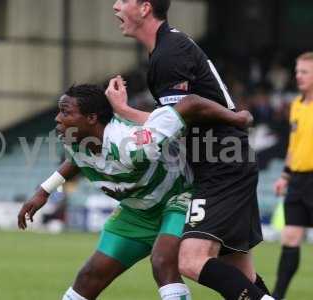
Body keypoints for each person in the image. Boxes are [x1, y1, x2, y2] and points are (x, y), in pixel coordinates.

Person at [17, 84, 252, 300]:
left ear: (91, 118)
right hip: (137, 211)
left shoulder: (132, 145)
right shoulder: (74, 138)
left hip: (178, 198)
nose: (58, 118)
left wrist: (236, 117)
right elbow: (77, 160)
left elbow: (191, 103)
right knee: (90, 275)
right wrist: (43, 191)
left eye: (65, 112)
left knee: (162, 262)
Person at [109, 1, 273, 299]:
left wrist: (134, 147)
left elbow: (180, 117)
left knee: (190, 259)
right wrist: (125, 111)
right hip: (224, 162)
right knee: (240, 275)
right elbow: (173, 120)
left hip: (222, 165)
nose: (115, 5)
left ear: (145, 7)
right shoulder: (168, 48)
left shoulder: (170, 53)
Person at [272, 52, 313, 299]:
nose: (298, 76)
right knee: (290, 236)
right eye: (297, 71)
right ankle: (277, 295)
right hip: (297, 181)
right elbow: (293, 145)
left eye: (305, 72)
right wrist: (284, 176)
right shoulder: (296, 105)